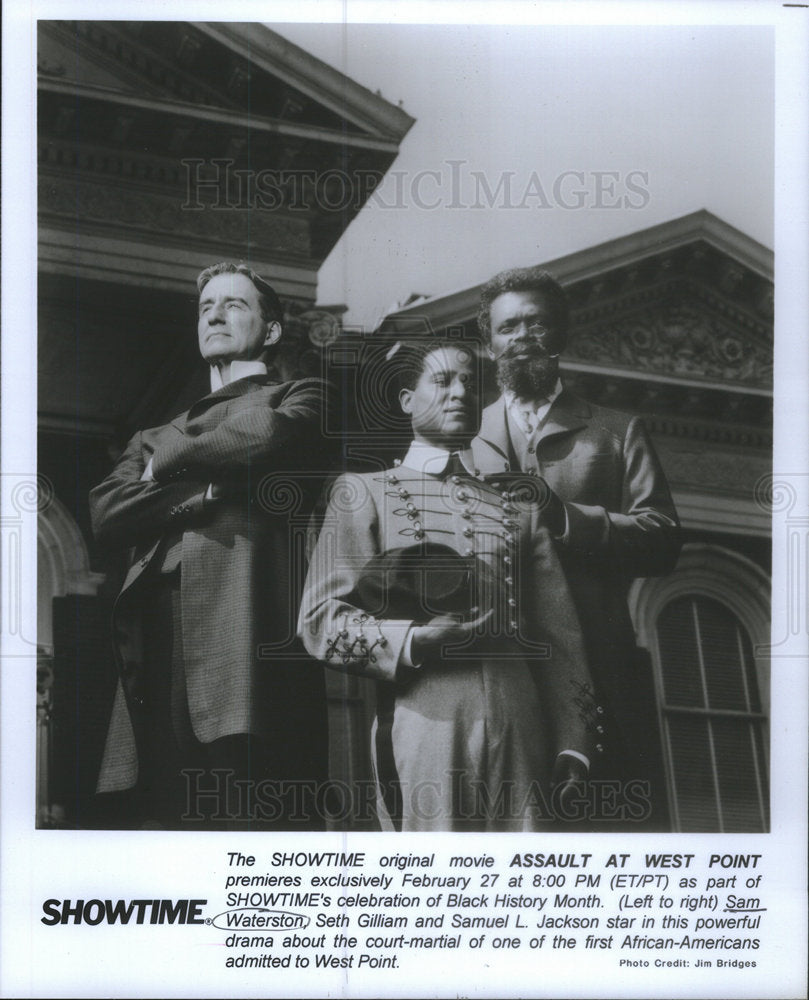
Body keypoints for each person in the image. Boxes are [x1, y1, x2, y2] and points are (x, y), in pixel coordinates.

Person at [298, 337, 602, 831]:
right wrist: (415, 641)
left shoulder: (518, 510)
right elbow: (320, 622)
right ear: (406, 401)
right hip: (423, 720)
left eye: (470, 383)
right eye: (442, 381)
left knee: (524, 890)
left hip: (521, 722)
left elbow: (560, 639)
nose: (460, 392)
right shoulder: (365, 492)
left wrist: (575, 742)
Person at [90, 262, 334, 828]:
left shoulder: (301, 395)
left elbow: (266, 438)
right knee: (166, 816)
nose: (215, 315)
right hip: (155, 636)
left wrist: (164, 466)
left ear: (271, 331)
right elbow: (106, 512)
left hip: (247, 629)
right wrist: (209, 491)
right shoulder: (149, 433)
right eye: (206, 308)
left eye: (234, 304)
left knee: (255, 814)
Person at [472, 265, 682, 826]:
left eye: (536, 324)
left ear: (560, 334)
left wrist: (562, 515)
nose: (522, 338)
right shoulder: (461, 438)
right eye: (508, 327)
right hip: (493, 677)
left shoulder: (615, 431)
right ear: (488, 344)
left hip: (604, 676)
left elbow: (662, 539)